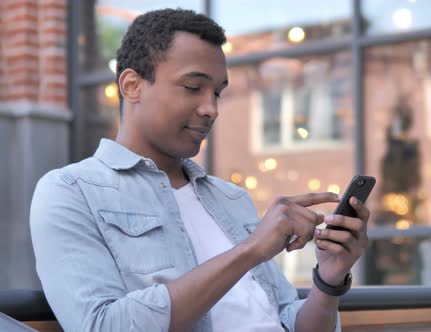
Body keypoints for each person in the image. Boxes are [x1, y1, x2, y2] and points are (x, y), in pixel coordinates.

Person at [30, 8, 370, 332]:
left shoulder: (231, 197)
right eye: (193, 87)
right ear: (132, 85)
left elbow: (289, 320)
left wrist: (328, 281)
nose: (211, 109)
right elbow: (101, 325)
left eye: (217, 93)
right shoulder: (71, 191)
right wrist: (250, 250)